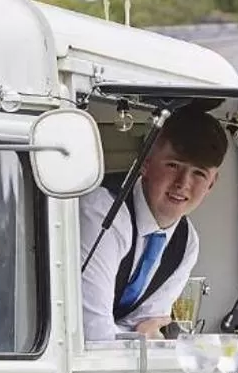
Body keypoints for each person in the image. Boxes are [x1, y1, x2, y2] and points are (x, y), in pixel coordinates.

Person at [78, 105, 229, 342]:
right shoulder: (104, 212)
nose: (182, 183)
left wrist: (133, 334)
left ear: (212, 183)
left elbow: (149, 324)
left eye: (198, 173)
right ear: (146, 163)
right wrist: (137, 336)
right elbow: (93, 334)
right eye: (173, 166)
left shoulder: (186, 241)